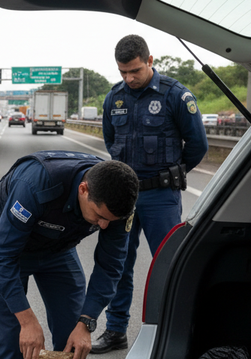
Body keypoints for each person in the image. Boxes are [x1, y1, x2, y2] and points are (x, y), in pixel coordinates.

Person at [92, 34, 208, 353]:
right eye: (123, 72)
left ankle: (173, 331)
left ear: (150, 61)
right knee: (118, 264)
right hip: (124, 197)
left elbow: (198, 145)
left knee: (169, 265)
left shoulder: (176, 95)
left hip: (161, 197)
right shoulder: (114, 97)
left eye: (135, 71)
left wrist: (172, 173)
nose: (129, 78)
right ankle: (115, 330)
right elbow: (110, 140)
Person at [0, 151, 139, 359]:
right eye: (99, 216)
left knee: (73, 337)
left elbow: (110, 267)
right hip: (10, 248)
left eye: (110, 220)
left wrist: (87, 322)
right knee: (13, 342)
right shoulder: (35, 183)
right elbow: (1, 256)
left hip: (58, 249)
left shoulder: (119, 201)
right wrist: (27, 321)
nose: (104, 225)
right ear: (83, 189)